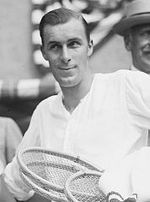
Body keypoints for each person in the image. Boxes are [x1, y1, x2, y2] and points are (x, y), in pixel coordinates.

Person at [1, 6, 150, 202]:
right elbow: (10, 184)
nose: (65, 56)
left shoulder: (126, 86)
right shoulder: (44, 112)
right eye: (55, 46)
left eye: (73, 44)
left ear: (89, 46)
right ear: (44, 52)